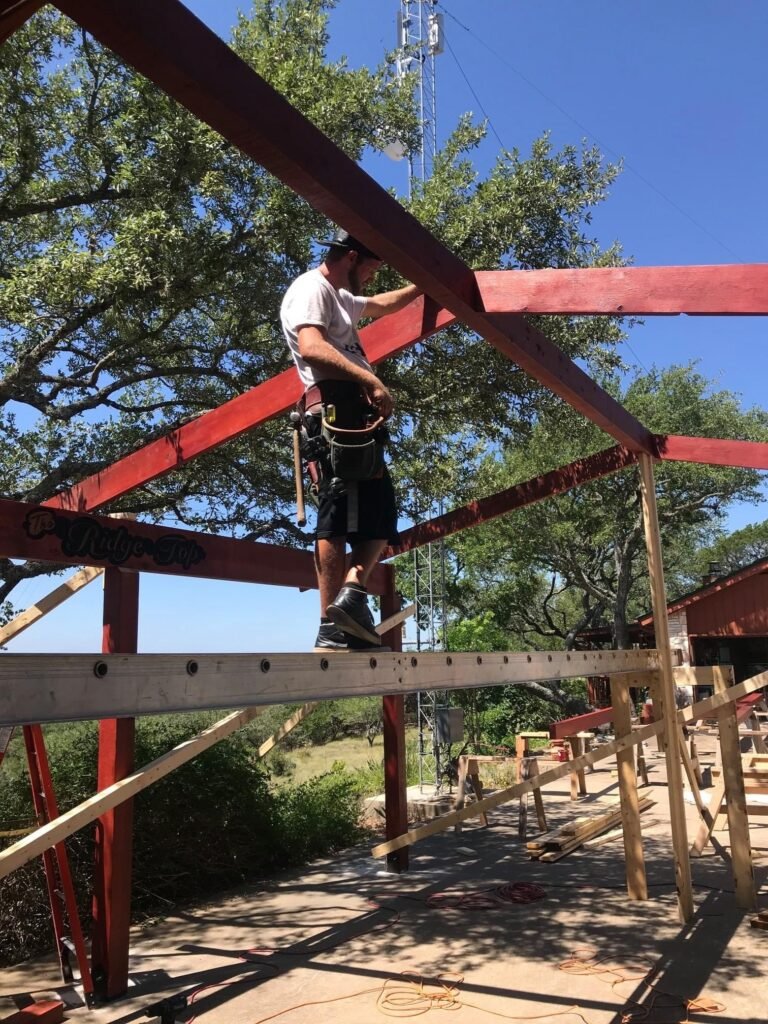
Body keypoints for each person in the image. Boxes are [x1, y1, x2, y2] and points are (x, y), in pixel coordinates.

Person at [280, 228, 421, 652]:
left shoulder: (342, 296)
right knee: (337, 514)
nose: (375, 277)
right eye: (373, 267)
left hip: (354, 418)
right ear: (353, 256)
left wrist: (424, 287)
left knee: (378, 513)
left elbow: (383, 303)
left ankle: (352, 597)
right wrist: (371, 380)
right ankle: (332, 624)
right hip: (336, 414)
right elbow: (312, 347)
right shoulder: (311, 287)